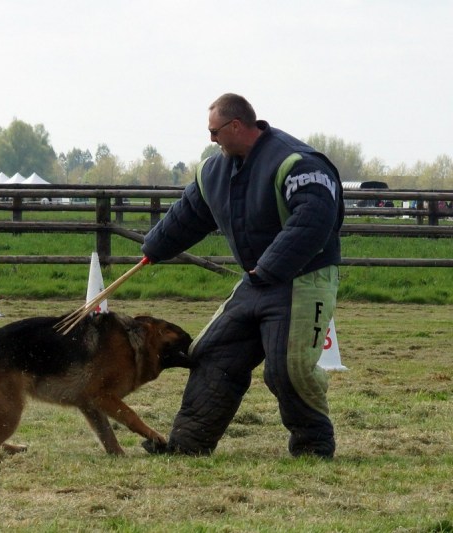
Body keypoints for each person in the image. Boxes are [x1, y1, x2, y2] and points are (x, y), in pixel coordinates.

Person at [141, 93, 344, 459]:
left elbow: (313, 220)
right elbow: (189, 214)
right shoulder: (214, 170)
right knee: (212, 353)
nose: (211, 139)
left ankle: (313, 446)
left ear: (237, 126)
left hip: (303, 278)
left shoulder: (298, 163)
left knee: (287, 369)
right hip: (257, 280)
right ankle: (188, 444)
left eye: (215, 131)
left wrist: (269, 267)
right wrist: (152, 248)